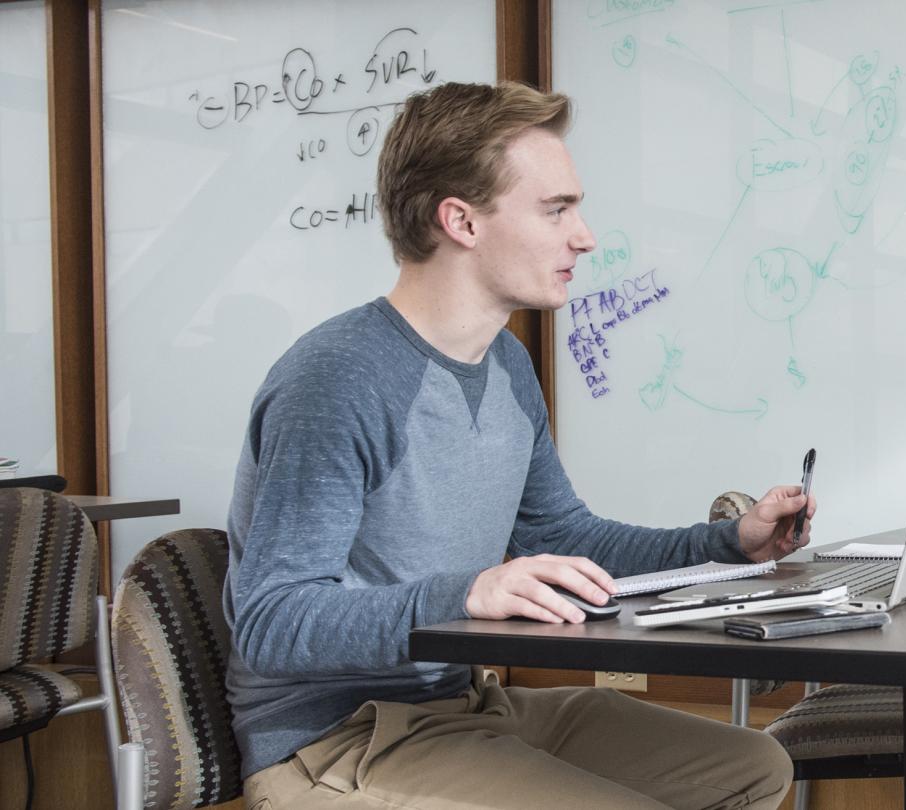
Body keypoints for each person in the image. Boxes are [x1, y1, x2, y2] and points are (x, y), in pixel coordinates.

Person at [225, 81, 800, 809]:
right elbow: (273, 619)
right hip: (337, 739)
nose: (584, 236)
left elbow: (564, 536)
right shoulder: (339, 376)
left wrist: (725, 544)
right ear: (461, 221)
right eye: (555, 210)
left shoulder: (504, 364)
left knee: (753, 766)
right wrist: (465, 593)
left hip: (464, 709)